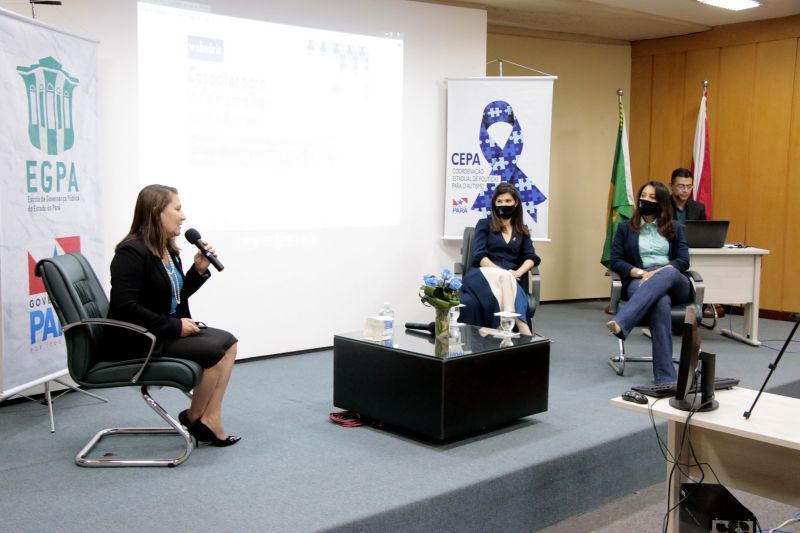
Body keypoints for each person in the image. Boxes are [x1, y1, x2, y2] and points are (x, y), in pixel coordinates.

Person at [106, 184, 240, 447]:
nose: (183, 216)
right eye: (177, 209)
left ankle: (208, 417)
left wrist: (198, 271)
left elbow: (174, 296)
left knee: (229, 343)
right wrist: (174, 325)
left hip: (161, 328)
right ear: (157, 212)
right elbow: (124, 306)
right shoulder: (131, 252)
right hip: (139, 338)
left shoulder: (167, 249)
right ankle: (194, 418)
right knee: (212, 352)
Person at [607, 180, 692, 384]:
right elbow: (616, 260)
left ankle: (623, 321)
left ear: (662, 202)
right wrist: (639, 273)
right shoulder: (625, 228)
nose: (646, 200)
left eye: (653, 197)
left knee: (669, 272)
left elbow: (682, 261)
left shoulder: (676, 228)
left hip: (674, 282)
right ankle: (666, 377)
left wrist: (658, 273)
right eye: (643, 195)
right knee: (660, 303)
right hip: (640, 278)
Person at [459, 182, 541, 336]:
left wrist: (517, 273)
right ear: (494, 204)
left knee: (508, 281)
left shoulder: (522, 230)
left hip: (511, 279)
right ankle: (523, 331)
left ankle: (502, 330)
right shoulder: (484, 224)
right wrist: (505, 273)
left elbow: (531, 257)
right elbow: (480, 256)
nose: (504, 204)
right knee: (506, 278)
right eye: (500, 201)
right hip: (483, 275)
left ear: (516, 203)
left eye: (508, 201)